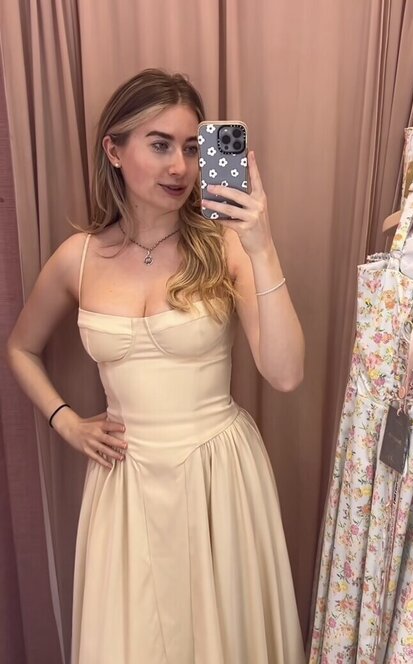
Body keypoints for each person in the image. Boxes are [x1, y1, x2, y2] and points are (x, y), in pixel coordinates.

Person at [7, 68, 306, 664]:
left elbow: (286, 373)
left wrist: (262, 246)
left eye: (192, 148)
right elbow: (19, 347)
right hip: (125, 484)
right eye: (161, 145)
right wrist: (67, 422)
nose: (180, 167)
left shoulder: (225, 246)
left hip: (218, 476)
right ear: (113, 151)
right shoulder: (78, 259)